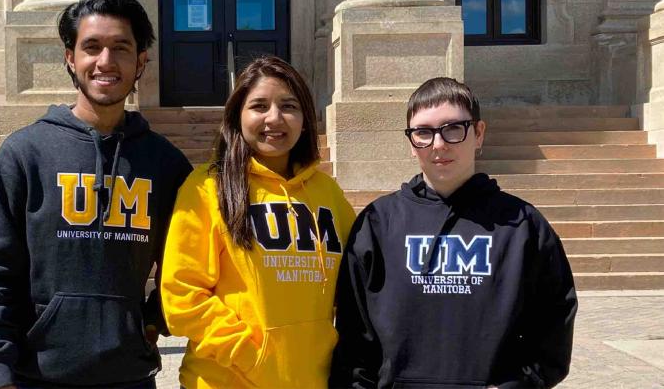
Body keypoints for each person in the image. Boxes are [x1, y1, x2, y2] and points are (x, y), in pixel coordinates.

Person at [0, 0, 193, 389]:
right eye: (92, 47)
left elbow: (192, 264)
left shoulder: (166, 164)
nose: (106, 61)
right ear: (71, 58)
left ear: (141, 62)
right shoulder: (24, 154)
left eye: (121, 48)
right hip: (36, 376)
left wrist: (154, 320)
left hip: (131, 377)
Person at [331, 77, 578, 388]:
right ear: (411, 143)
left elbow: (555, 318)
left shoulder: (523, 225)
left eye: (453, 128)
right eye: (423, 132)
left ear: (478, 133)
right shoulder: (378, 223)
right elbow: (354, 336)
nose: (438, 144)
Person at [161, 56, 356, 388]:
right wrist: (250, 355)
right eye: (259, 106)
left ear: (306, 119)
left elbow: (355, 284)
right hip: (227, 380)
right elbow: (182, 294)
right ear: (238, 116)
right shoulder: (207, 187)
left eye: (288, 106)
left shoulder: (327, 193)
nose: (274, 118)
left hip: (310, 379)